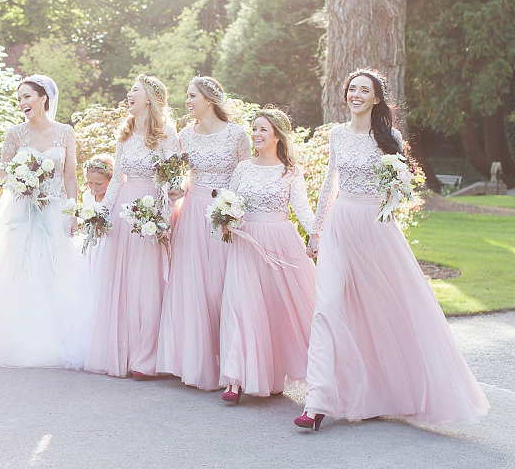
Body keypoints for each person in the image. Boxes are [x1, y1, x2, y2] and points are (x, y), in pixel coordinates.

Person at [296, 69, 489, 430]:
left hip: (375, 228)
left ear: (376, 98)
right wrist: (316, 231)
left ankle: (388, 391)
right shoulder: (337, 134)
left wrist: (392, 196)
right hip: (340, 225)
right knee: (326, 308)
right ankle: (316, 402)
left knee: (387, 308)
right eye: (352, 88)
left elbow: (399, 186)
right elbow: (328, 185)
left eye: (363, 90)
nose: (356, 94)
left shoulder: (389, 137)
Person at [0, 75, 87, 368]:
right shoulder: (14, 134)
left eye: (27, 97)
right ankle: (22, 339)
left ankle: (59, 337)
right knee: (22, 270)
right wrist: (22, 181)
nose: (22, 103)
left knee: (56, 269)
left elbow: (70, 175)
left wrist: (73, 211)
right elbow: (6, 174)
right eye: (19, 98)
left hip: (55, 207)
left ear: (43, 98)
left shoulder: (65, 133)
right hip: (23, 210)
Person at [217, 108, 317, 403]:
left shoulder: (290, 171)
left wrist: (316, 232)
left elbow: (302, 209)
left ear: (277, 136)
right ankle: (234, 380)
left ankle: (313, 376)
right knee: (242, 305)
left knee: (281, 307)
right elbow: (228, 200)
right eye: (254, 129)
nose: (256, 134)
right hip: (246, 243)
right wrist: (224, 217)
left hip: (280, 243)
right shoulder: (243, 169)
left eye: (263, 129)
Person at [85, 75, 181, 379]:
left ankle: (147, 357)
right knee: (121, 281)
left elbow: (174, 179)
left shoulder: (167, 132)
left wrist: (162, 215)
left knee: (146, 283)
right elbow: (117, 178)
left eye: (135, 90)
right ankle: (122, 352)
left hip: (150, 210)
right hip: (124, 208)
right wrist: (104, 212)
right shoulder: (125, 133)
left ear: (150, 98)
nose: (129, 94)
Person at [157, 76, 250, 389]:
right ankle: (196, 362)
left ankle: (233, 366)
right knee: (194, 285)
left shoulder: (237, 135)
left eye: (192, 95)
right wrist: (174, 191)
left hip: (224, 214)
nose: (187, 101)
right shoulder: (185, 134)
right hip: (194, 211)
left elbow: (247, 175)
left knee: (225, 285)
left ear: (209, 99)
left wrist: (232, 210)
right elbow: (179, 175)